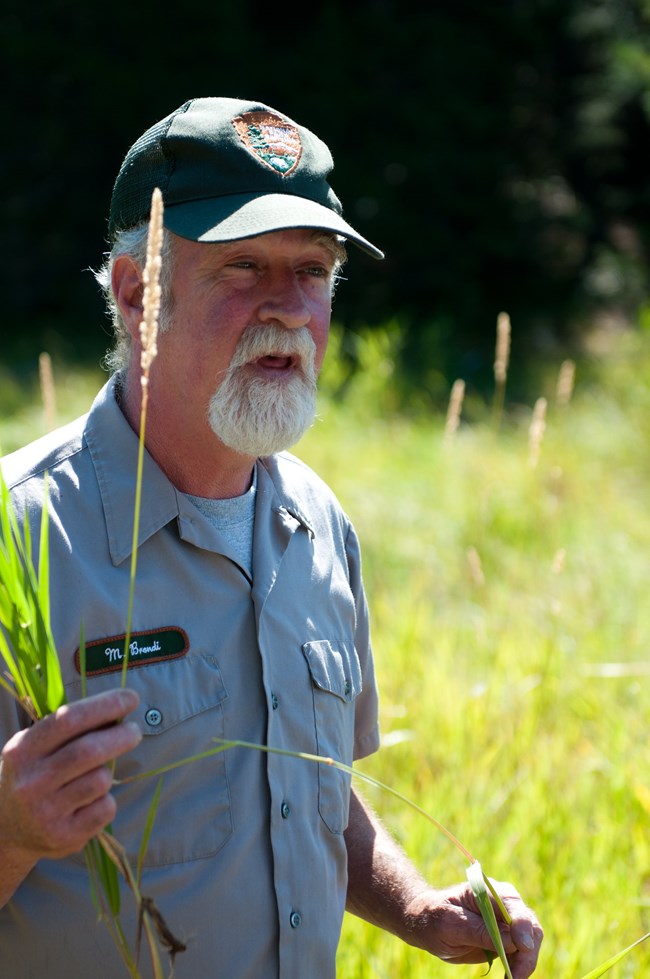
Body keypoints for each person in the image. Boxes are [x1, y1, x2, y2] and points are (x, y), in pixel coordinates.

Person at [0, 96, 543, 978]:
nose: (289, 307)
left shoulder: (317, 524)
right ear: (138, 292)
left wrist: (415, 906)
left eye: (313, 270)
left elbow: (308, 792)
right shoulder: (18, 537)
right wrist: (10, 830)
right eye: (244, 268)